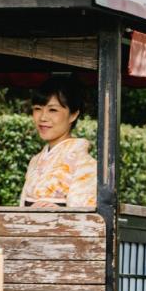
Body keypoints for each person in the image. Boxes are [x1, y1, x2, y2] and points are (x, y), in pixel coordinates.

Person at [20, 75, 98, 209]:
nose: (43, 117)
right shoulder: (35, 161)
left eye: (53, 110)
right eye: (37, 109)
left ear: (73, 115)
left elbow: (83, 219)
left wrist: (57, 212)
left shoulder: (85, 164)